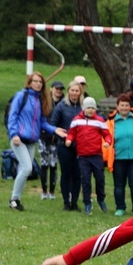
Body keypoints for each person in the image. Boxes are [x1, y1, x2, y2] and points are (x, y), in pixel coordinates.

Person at [7, 71, 67, 211]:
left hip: (30, 141)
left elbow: (42, 122)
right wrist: (14, 134)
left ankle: (16, 200)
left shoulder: (39, 100)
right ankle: (14, 199)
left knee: (25, 169)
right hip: (19, 139)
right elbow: (13, 116)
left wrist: (55, 130)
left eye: (40, 82)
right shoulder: (22, 96)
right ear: (29, 82)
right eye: (35, 81)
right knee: (27, 167)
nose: (38, 84)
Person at [66, 97, 112, 215]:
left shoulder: (100, 121)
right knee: (85, 180)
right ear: (83, 109)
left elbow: (107, 135)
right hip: (83, 156)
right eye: (88, 108)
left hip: (96, 155)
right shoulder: (76, 120)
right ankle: (87, 203)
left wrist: (107, 142)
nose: (91, 110)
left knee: (100, 179)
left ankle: (101, 199)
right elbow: (71, 133)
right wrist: (69, 140)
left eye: (93, 108)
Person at [51, 80, 83, 212]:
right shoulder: (61, 106)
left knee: (77, 174)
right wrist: (63, 136)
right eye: (72, 90)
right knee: (66, 174)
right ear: (68, 91)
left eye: (77, 90)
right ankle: (66, 202)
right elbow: (53, 124)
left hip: (81, 147)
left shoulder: (84, 106)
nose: (74, 93)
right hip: (64, 146)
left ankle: (74, 202)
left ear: (80, 92)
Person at [38, 80, 65, 200]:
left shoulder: (64, 103)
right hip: (43, 137)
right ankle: (44, 191)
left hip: (56, 139)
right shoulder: (45, 101)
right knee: (44, 164)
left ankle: (52, 192)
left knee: (54, 165)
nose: (58, 91)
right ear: (51, 89)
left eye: (60, 89)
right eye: (56, 89)